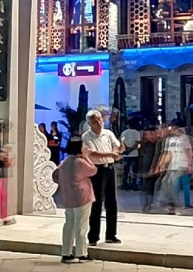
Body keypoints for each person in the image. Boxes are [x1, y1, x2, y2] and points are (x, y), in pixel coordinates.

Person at [81, 109, 122, 245]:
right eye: (95, 121)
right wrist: (111, 154)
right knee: (96, 203)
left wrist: (118, 150)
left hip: (109, 168)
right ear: (89, 124)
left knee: (112, 202)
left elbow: (116, 147)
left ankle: (111, 234)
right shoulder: (87, 136)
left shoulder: (108, 133)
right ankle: (93, 236)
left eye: (100, 119)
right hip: (97, 170)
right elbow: (92, 153)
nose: (99, 123)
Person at [51, 138, 97, 262]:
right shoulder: (80, 162)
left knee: (69, 225)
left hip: (68, 197)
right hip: (82, 197)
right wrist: (86, 157)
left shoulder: (64, 162)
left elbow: (55, 175)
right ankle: (81, 253)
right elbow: (93, 170)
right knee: (81, 226)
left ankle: (66, 253)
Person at [120, 121, 141, 189]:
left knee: (125, 171)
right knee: (134, 171)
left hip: (126, 155)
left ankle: (124, 184)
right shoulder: (137, 133)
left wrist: (127, 149)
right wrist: (131, 149)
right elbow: (137, 143)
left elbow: (122, 142)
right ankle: (134, 185)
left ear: (128, 125)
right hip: (135, 154)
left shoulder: (124, 132)